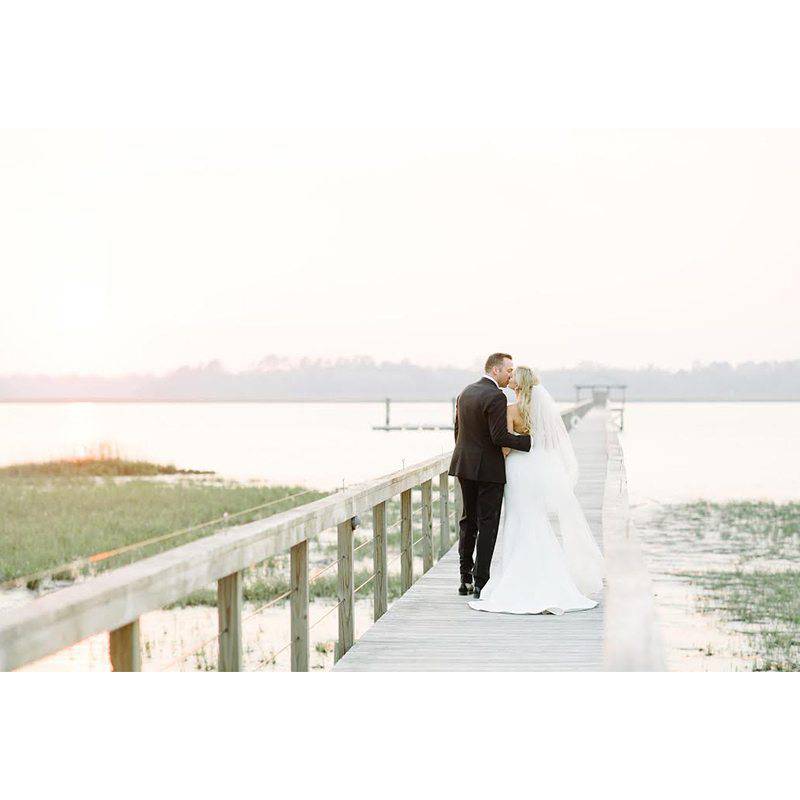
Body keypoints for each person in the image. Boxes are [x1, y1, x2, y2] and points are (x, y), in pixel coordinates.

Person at [468, 365, 604, 614]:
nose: (509, 378)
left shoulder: (511, 410)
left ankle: (516, 574)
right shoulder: (543, 411)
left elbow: (505, 446)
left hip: (517, 470)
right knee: (536, 518)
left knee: (517, 518)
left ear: (518, 385)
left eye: (512, 377)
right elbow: (550, 442)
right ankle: (549, 577)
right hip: (536, 470)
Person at [448, 352, 532, 598]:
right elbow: (499, 438)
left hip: (464, 465)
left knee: (468, 521)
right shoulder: (496, 396)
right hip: (488, 470)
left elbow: (458, 430)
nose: (510, 375)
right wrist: (530, 441)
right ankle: (481, 582)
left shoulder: (466, 391)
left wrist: (466, 455)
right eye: (508, 371)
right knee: (488, 525)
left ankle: (465, 579)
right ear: (495, 370)